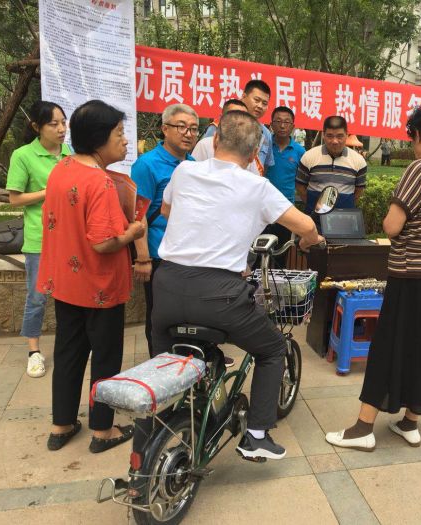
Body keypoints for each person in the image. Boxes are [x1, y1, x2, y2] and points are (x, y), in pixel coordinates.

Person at [151, 111, 324, 460]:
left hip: (166, 288)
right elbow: (306, 226)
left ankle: (164, 417)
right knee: (272, 349)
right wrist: (310, 241)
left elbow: (166, 212)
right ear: (255, 154)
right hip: (220, 296)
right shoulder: (257, 187)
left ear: (215, 140)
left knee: (167, 363)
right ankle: (257, 435)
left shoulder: (184, 171)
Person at [325, 102, 421, 451]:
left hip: (413, 274)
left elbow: (391, 226)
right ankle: (410, 421)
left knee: (388, 346)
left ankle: (363, 428)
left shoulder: (420, 170)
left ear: (416, 134)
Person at [39, 100, 145, 452]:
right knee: (105, 357)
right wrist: (133, 232)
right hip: (99, 287)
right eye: (119, 133)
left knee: (68, 352)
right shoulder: (100, 182)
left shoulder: (62, 168)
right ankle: (102, 431)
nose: (125, 141)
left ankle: (62, 424)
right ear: (100, 139)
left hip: (67, 284)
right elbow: (103, 243)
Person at [6, 101, 71, 378]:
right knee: (37, 297)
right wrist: (50, 191)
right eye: (54, 124)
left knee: (71, 295)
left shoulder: (69, 154)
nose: (61, 129)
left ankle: (73, 344)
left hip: (70, 238)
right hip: (40, 239)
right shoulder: (23, 155)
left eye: (63, 122)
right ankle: (34, 352)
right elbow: (15, 198)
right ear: (36, 126)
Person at [131, 103, 198, 357]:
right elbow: (138, 214)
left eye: (193, 129)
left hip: (188, 255)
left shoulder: (193, 164)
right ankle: (158, 365)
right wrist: (142, 257)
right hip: (159, 255)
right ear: (165, 129)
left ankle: (185, 362)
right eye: (181, 127)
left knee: (187, 316)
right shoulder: (147, 165)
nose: (188, 134)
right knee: (159, 317)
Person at [296, 116, 367, 215]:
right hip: (313, 219)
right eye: (329, 136)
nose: (335, 141)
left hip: (344, 218)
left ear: (347, 135)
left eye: (340, 136)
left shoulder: (359, 161)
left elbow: (358, 192)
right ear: (323, 135)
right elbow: (300, 187)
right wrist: (313, 207)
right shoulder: (308, 156)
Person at [264, 106, 306, 266]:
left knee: (281, 256)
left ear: (293, 126)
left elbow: (302, 181)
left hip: (285, 209)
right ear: (271, 124)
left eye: (286, 122)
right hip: (262, 208)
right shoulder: (263, 146)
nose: (282, 126)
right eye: (278, 121)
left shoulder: (299, 151)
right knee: (259, 253)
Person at [191, 99, 248, 163]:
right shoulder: (205, 145)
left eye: (244, 117)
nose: (239, 121)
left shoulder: (248, 150)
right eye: (234, 116)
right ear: (221, 118)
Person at [241, 79, 275, 176]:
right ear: (243, 97)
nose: (260, 106)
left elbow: (265, 167)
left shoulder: (266, 134)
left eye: (264, 103)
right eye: (256, 100)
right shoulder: (224, 125)